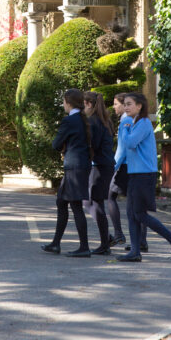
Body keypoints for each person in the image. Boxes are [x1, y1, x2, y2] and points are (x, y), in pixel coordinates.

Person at [115, 92, 171, 263]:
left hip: (144, 174)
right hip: (135, 173)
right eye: (125, 104)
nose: (126, 107)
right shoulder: (135, 123)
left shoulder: (143, 123)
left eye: (129, 104)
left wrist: (123, 129)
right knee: (132, 214)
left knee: (139, 214)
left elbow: (130, 143)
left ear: (139, 106)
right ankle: (135, 251)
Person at [41, 88, 92, 258]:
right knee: (62, 202)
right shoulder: (83, 120)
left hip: (74, 167)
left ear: (68, 103)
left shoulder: (69, 121)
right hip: (80, 166)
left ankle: (84, 247)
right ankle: (56, 243)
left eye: (63, 102)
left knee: (76, 206)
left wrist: (63, 145)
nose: (63, 105)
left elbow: (56, 144)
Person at [106, 93, 147, 251]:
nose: (114, 107)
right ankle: (140, 241)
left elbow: (123, 149)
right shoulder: (131, 120)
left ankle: (120, 234)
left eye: (116, 104)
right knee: (136, 204)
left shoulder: (126, 120)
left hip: (126, 166)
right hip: (131, 166)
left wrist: (113, 166)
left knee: (112, 197)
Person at [82, 91, 115, 255]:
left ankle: (105, 244)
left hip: (100, 166)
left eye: (83, 105)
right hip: (104, 165)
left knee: (96, 202)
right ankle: (106, 238)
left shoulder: (94, 122)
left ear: (88, 104)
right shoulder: (104, 120)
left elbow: (92, 145)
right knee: (89, 200)